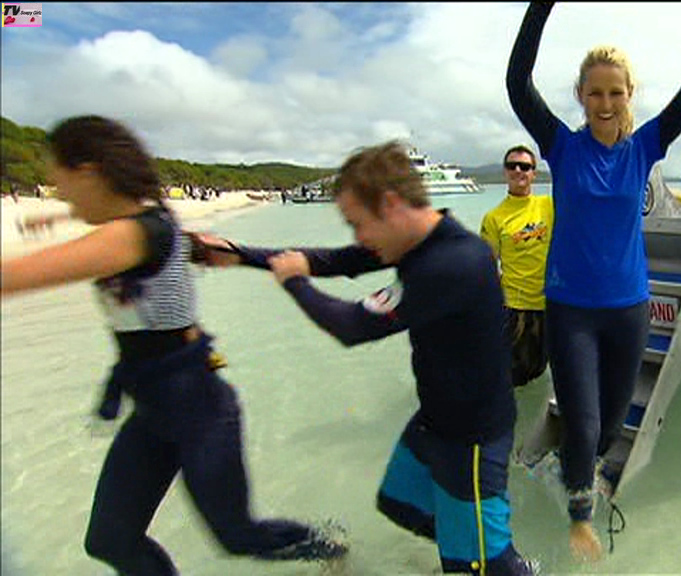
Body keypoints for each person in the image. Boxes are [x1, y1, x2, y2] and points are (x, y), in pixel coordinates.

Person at [0, 115, 347, 575]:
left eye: (60, 182)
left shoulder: (136, 234)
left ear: (88, 172)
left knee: (237, 536)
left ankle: (330, 549)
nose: (58, 191)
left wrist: (60, 216)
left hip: (199, 409)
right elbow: (115, 219)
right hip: (153, 411)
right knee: (110, 541)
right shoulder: (145, 221)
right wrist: (60, 213)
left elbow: (15, 276)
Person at [191, 140, 535, 575]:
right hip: (435, 421)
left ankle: (491, 561)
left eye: (358, 223)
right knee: (399, 503)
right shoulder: (419, 242)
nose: (358, 237)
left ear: (390, 204)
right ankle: (477, 549)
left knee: (472, 564)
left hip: (471, 442)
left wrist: (293, 283)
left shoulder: (453, 263)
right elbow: (333, 261)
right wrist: (240, 254)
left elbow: (353, 326)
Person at [506, 1, 681, 561]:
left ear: (629, 96)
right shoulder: (561, 146)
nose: (605, 103)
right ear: (581, 96)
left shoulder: (645, 147)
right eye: (596, 93)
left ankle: (573, 468)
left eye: (616, 93)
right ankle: (579, 517)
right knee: (582, 424)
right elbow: (517, 82)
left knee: (607, 427)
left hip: (629, 309)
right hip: (571, 310)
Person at [479, 145, 553, 389]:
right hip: (515, 309)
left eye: (525, 166)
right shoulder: (494, 218)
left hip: (552, 305)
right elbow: (487, 268)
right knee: (513, 380)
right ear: (505, 171)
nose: (518, 170)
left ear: (534, 173)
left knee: (542, 374)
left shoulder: (550, 205)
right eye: (512, 166)